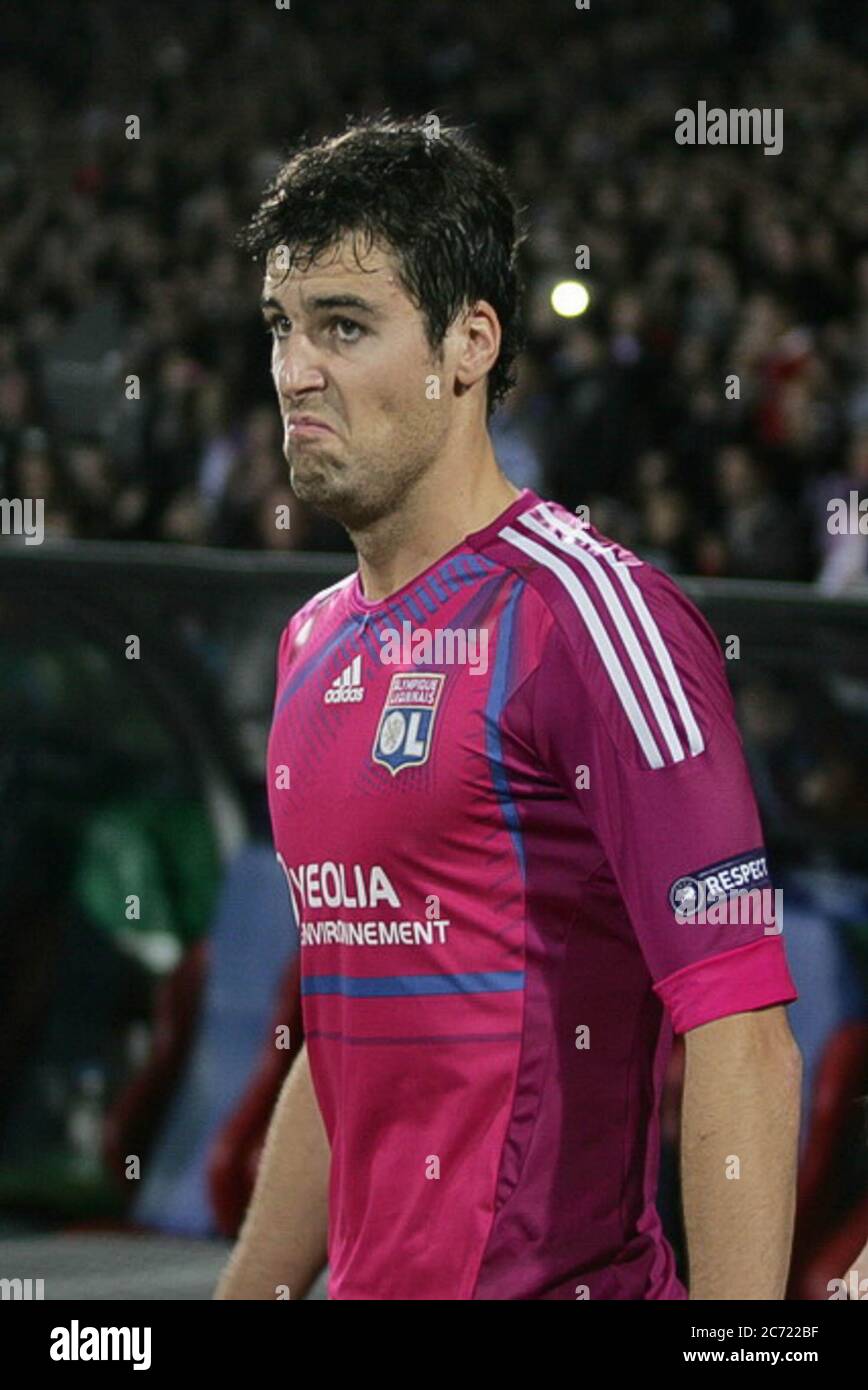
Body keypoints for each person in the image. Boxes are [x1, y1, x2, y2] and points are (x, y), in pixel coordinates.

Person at [215, 114, 801, 1302]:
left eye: (343, 325)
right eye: (282, 326)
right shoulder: (310, 645)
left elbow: (739, 1032)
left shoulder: (589, 619)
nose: (294, 370)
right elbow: (347, 1049)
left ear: (468, 342)